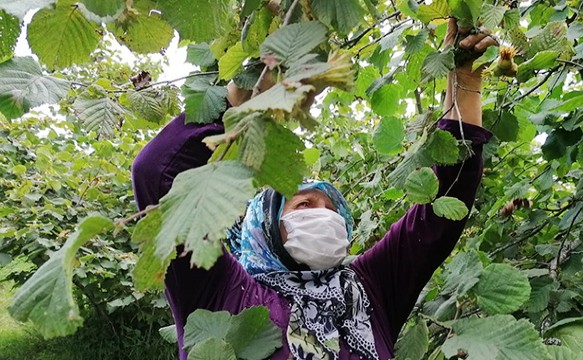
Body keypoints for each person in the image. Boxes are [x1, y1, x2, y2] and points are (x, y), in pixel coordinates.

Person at [132, 19, 495, 360]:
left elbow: (441, 211)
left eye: (332, 209)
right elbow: (157, 176)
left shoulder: (371, 288)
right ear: (266, 229)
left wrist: (465, 80)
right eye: (304, 205)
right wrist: (244, 98)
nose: (323, 215)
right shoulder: (218, 287)